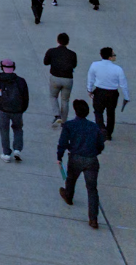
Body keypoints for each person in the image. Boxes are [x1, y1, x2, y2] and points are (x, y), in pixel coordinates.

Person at [59, 99, 105, 229]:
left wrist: (60, 155)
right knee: (92, 189)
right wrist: (96, 151)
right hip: (91, 160)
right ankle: (93, 219)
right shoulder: (94, 127)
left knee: (71, 179)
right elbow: (100, 145)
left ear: (75, 111)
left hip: (76, 158)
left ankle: (68, 195)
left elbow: (62, 142)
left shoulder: (69, 125)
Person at [0, 59, 29, 162]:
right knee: (18, 129)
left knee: (4, 130)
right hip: (17, 110)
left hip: (2, 109)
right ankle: (17, 149)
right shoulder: (21, 81)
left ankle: (6, 153)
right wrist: (22, 109)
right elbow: (25, 97)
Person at [87, 47, 130, 138]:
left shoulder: (94, 65)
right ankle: (109, 133)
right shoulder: (118, 69)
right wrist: (126, 97)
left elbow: (90, 79)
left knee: (98, 112)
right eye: (114, 55)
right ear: (110, 57)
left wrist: (89, 90)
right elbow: (123, 84)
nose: (115, 56)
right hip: (112, 94)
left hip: (99, 92)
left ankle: (101, 129)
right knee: (111, 113)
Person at [45, 33, 78, 127]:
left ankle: (57, 115)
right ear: (68, 42)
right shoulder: (72, 54)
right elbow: (74, 65)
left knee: (53, 96)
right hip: (68, 79)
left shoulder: (51, 51)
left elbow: (45, 62)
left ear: (58, 41)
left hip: (55, 77)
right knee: (65, 100)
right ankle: (64, 121)